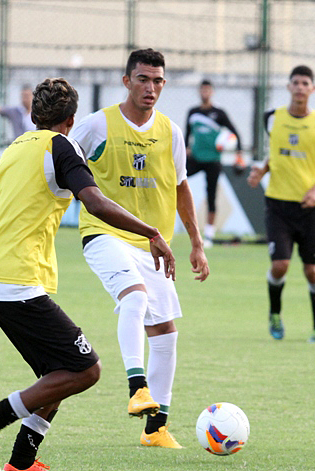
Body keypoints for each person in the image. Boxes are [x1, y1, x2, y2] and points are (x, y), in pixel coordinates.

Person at [0, 77, 175, 471]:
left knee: (58, 372)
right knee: (84, 369)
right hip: (16, 279)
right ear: (71, 120)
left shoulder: (15, 148)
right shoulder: (62, 146)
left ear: (34, 116)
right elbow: (94, 201)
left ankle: (23, 459)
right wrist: (152, 232)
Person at [71, 48, 210, 449]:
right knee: (134, 297)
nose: (151, 88)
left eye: (158, 81)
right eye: (143, 79)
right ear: (126, 81)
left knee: (165, 333)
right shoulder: (97, 125)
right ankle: (137, 387)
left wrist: (196, 243)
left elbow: (181, 187)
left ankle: (156, 429)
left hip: (154, 245)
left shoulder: (171, 132)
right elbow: (59, 160)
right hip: (104, 234)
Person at [247, 65, 315, 344]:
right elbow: (276, 154)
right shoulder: (272, 119)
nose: (300, 87)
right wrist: (262, 170)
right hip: (278, 205)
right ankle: (275, 313)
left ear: (313, 89)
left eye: (305, 83)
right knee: (280, 265)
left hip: (308, 208)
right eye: (295, 82)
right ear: (288, 87)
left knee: (312, 270)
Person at [185, 79, 245, 248]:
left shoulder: (219, 113)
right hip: (196, 158)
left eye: (208, 90)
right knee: (175, 181)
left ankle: (209, 236)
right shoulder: (193, 112)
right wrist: (185, 149)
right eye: (202, 89)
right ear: (199, 92)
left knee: (211, 195)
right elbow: (186, 134)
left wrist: (239, 153)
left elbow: (235, 132)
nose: (205, 93)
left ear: (212, 92)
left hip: (213, 160)